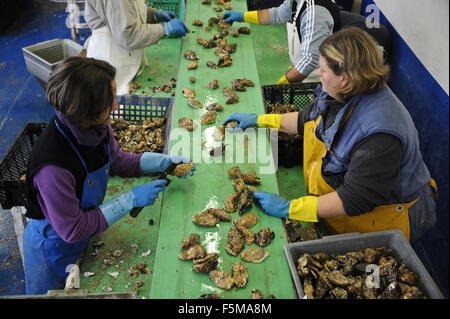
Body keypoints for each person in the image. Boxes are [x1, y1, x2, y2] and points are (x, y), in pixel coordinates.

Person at [223, 28, 437, 245]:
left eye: (323, 70)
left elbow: (354, 200)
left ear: (344, 78)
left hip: (383, 219)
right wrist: (259, 120)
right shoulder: (344, 90)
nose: (318, 72)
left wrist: (290, 208)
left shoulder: (379, 135)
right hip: (342, 205)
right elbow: (305, 119)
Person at [22, 57, 195, 295]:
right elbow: (73, 229)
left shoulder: (95, 126)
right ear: (86, 111)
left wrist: (162, 161)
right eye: (109, 101)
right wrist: (129, 200)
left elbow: (116, 159)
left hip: (85, 231)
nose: (115, 106)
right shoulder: (52, 167)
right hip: (54, 248)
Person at [223, 0, 391, 84]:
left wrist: (282, 82)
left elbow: (310, 60)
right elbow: (278, 15)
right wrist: (242, 16)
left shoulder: (314, 13)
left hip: (368, 48)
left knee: (347, 90)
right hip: (340, 40)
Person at [84, 0, 189, 95]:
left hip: (125, 58)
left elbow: (127, 10)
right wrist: (164, 29)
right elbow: (127, 35)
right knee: (111, 103)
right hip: (111, 64)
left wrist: (154, 15)